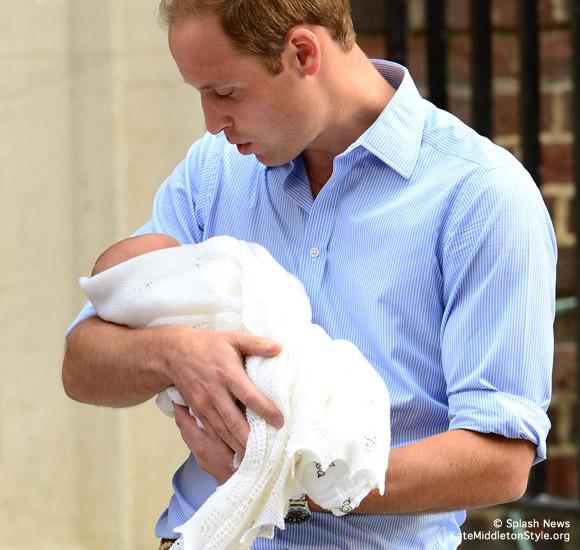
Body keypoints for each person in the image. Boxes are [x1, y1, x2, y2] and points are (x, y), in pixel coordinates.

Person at [62, 0, 557, 548]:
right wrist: (171, 353)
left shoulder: (480, 194)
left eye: (225, 92)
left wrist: (283, 484)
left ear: (303, 53)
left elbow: (500, 459)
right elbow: (82, 363)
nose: (211, 121)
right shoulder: (214, 169)